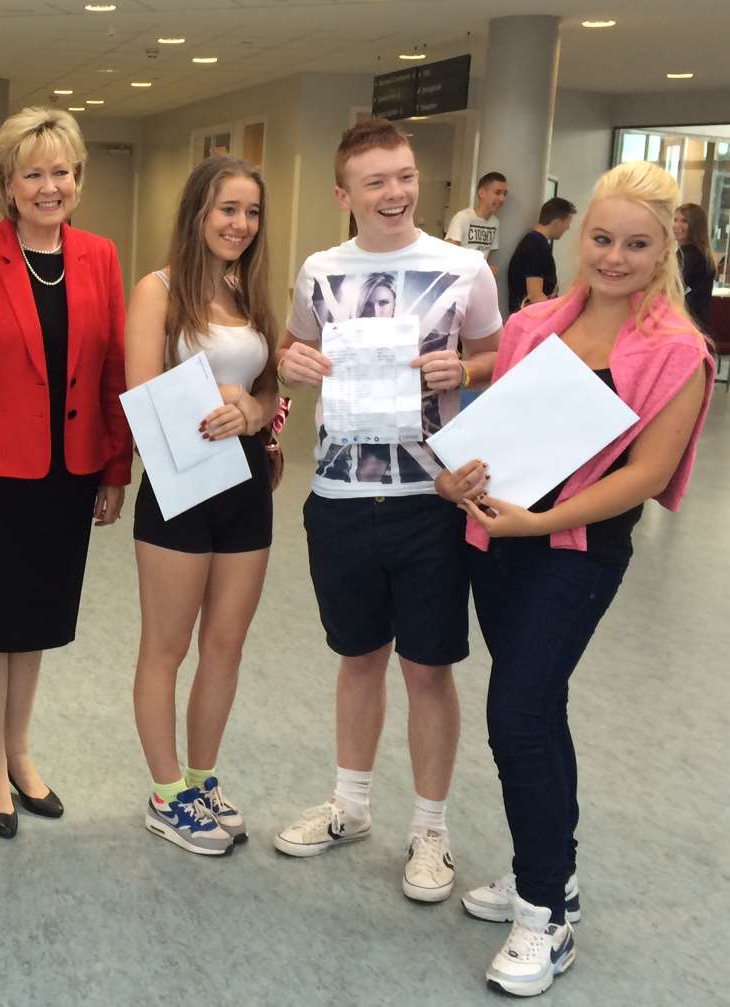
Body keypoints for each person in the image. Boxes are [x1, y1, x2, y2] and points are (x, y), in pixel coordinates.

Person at [438, 162, 712, 998]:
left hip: (577, 554)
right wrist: (459, 478)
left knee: (515, 711)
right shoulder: (532, 326)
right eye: (601, 238)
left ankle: (544, 912)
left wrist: (539, 522)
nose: (613, 256)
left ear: (666, 246)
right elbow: (493, 433)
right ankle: (548, 869)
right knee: (536, 705)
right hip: (498, 545)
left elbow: (644, 476)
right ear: (578, 235)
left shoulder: (677, 350)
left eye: (636, 243)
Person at [273, 118, 502, 905]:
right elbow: (291, 353)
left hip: (431, 499)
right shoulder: (317, 270)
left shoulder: (464, 267)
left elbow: (500, 359)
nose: (395, 193)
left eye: (403, 176)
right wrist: (291, 361)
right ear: (344, 195)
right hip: (338, 495)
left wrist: (464, 365)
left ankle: (430, 828)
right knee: (357, 655)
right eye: (375, 181)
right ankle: (350, 806)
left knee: (428, 666)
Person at [0, 108, 130, 840]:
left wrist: (114, 467)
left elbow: (112, 370)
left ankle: (19, 750)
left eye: (62, 171)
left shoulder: (99, 257)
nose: (50, 186)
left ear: (78, 178)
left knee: (36, 621)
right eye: (33, 173)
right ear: (6, 185)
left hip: (67, 472)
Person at [124, 155, 275, 856]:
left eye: (250, 212)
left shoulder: (251, 297)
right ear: (196, 213)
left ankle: (201, 776)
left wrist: (252, 408)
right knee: (167, 644)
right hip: (179, 479)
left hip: (244, 480)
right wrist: (208, 403)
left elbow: (272, 395)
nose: (240, 224)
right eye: (227, 209)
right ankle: (164, 793)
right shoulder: (156, 290)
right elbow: (139, 390)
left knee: (225, 643)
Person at [506, 197, 576, 314]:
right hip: (529, 319)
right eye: (566, 224)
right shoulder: (536, 246)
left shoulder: (536, 242)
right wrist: (557, 314)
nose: (567, 228)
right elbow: (535, 295)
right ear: (557, 223)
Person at [446, 171, 508, 270]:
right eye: (497, 192)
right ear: (481, 193)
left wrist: (487, 270)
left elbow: (487, 257)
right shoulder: (462, 217)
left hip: (478, 281)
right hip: (460, 280)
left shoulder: (495, 222)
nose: (502, 199)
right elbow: (448, 256)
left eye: (504, 194)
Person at [673, 202, 716, 332]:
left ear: (695, 226)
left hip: (687, 324)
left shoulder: (691, 256)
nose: (677, 225)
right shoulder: (696, 253)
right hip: (694, 322)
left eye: (684, 221)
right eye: (675, 219)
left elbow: (673, 288)